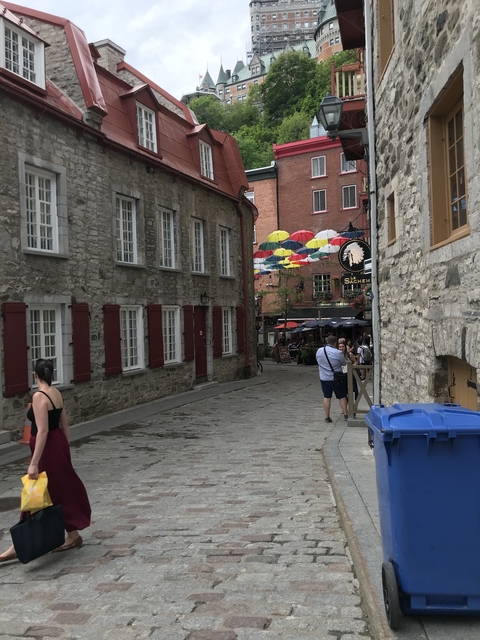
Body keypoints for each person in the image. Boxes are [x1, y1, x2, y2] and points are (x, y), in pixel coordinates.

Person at [0, 359, 91, 563]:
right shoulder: (57, 393)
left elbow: (42, 431)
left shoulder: (39, 396)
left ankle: (18, 545)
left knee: (35, 491)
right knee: (58, 490)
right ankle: (73, 535)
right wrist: (64, 449)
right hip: (57, 444)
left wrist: (34, 462)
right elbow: (65, 425)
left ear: (35, 375)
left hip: (47, 448)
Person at [316, 335, 349, 423]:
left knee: (326, 396)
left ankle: (327, 417)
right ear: (335, 343)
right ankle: (346, 414)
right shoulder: (337, 352)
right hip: (336, 378)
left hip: (324, 378)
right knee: (341, 396)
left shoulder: (319, 351)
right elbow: (344, 363)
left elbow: (318, 361)